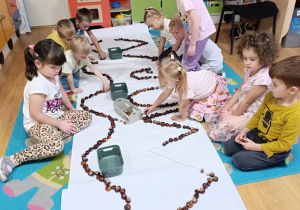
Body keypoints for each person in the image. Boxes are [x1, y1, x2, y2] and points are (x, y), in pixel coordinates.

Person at [0, 39, 92, 182]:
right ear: (38, 64)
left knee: (86, 117)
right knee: (56, 147)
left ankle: (51, 136)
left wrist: (71, 109)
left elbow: (60, 92)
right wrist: (60, 125)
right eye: (54, 67)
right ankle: (11, 160)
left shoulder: (51, 75)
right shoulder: (38, 84)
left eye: (59, 67)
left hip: (55, 117)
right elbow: (35, 114)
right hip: (37, 123)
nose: (58, 71)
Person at [223, 56, 300, 171]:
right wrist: (245, 130)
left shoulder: (294, 114)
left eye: (274, 84)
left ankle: (282, 159)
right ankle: (251, 150)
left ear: (292, 90)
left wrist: (256, 147)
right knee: (229, 147)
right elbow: (258, 115)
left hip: (274, 149)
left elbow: (284, 144)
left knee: (239, 160)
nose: (270, 87)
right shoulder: (270, 95)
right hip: (257, 135)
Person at [207, 31, 279, 142]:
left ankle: (250, 132)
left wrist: (232, 116)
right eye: (245, 58)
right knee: (215, 113)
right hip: (242, 105)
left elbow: (247, 102)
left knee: (220, 129)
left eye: (252, 59)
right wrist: (226, 107)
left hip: (252, 114)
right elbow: (240, 90)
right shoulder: (249, 69)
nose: (247, 63)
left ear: (264, 57)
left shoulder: (263, 79)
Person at [144, 56, 230, 122]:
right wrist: (153, 106)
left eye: (166, 82)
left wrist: (182, 117)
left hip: (213, 88)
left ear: (176, 81)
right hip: (208, 76)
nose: (165, 84)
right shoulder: (179, 76)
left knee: (200, 113)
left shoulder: (185, 87)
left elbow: (182, 106)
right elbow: (166, 93)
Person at [176, 0, 216, 71]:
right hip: (193, 32)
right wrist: (186, 33)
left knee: (189, 64)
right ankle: (198, 75)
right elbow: (185, 17)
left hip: (200, 32)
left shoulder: (185, 1)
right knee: (187, 60)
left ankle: (196, 79)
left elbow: (196, 21)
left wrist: (192, 44)